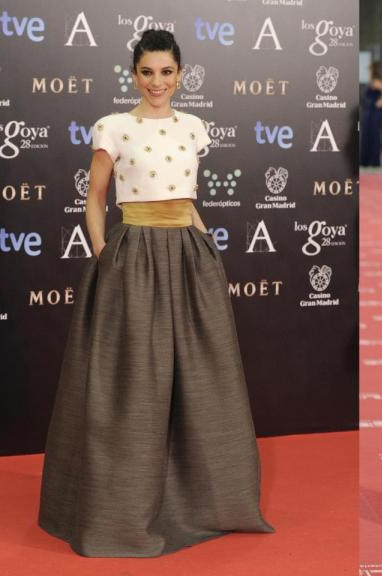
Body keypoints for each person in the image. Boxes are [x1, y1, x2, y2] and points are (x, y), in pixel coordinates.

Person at [38, 29, 273, 557]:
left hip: (189, 253)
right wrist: (104, 257)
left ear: (181, 74)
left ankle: (203, 500)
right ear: (134, 74)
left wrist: (208, 250)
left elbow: (186, 201)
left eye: (167, 72)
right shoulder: (113, 127)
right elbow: (95, 198)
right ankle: (119, 507)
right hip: (133, 254)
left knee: (202, 378)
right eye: (147, 72)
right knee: (131, 385)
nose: (157, 82)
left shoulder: (194, 127)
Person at [361, 61, 382, 167]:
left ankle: (372, 160)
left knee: (373, 136)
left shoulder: (377, 82)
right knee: (367, 136)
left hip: (373, 115)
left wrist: (381, 101)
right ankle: (367, 160)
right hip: (369, 113)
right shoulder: (372, 81)